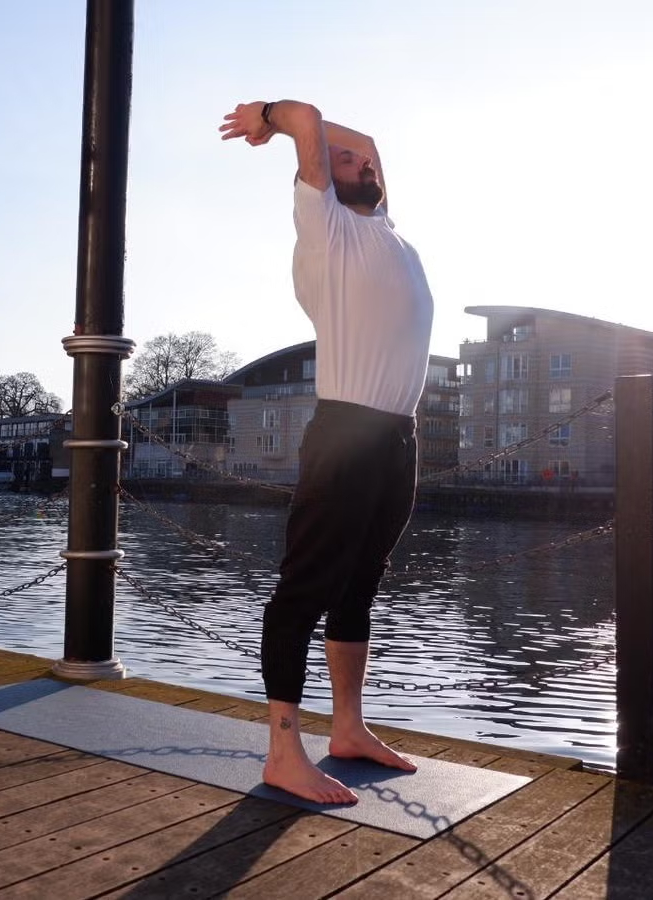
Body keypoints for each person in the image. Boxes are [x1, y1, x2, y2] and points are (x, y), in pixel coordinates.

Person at [219, 99, 435, 804]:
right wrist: (272, 117)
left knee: (360, 584)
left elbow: (365, 138)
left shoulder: (387, 230)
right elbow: (313, 124)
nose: (363, 160)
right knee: (304, 590)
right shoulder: (326, 227)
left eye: (366, 162)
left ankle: (348, 729)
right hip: (345, 430)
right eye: (343, 161)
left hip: (398, 435)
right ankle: (284, 751)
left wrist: (346, 147)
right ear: (321, 180)